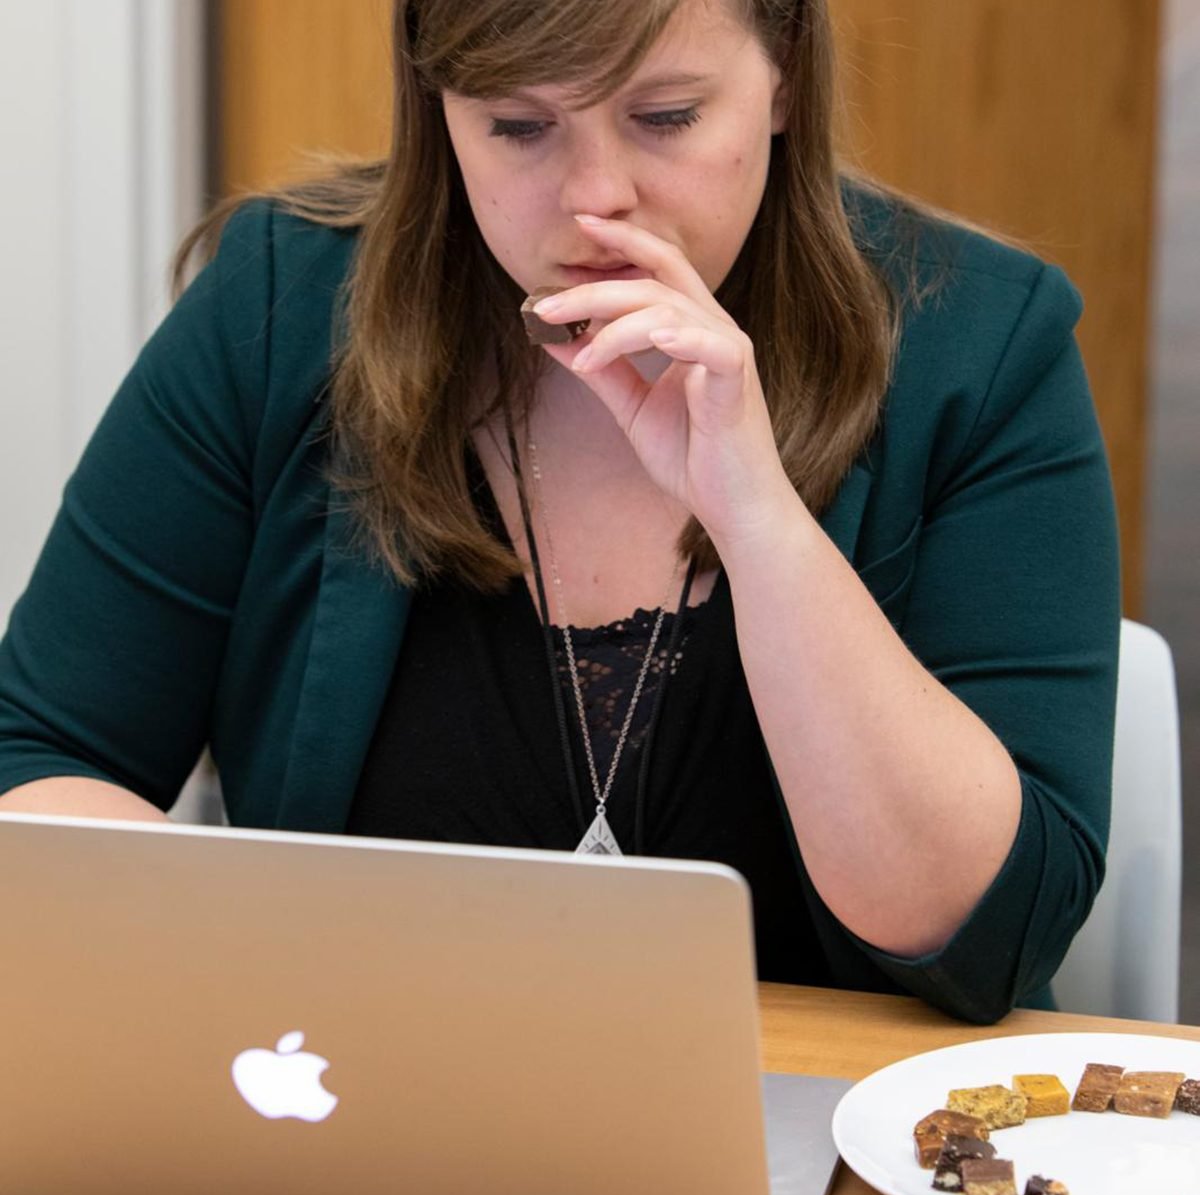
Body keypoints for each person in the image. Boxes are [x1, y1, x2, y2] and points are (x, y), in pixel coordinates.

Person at [0, 0, 1119, 1023]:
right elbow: (39, 754)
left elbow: (992, 939)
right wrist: (277, 984)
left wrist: (757, 518)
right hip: (366, 1107)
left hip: (825, 1132)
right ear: (438, 110)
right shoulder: (284, 304)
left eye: (665, 117)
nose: (597, 199)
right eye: (519, 128)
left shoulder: (981, 344)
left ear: (781, 75)